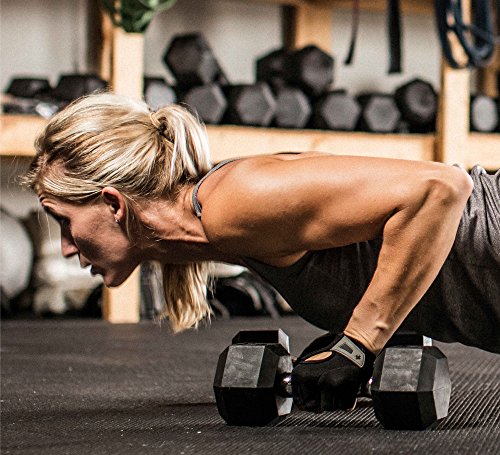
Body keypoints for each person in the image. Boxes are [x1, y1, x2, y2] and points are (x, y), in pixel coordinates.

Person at [21, 92, 499, 413]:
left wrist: (358, 344)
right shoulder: (227, 228)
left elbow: (440, 189)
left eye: (63, 219)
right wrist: (348, 336)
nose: (64, 247)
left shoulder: (232, 201)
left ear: (112, 204)